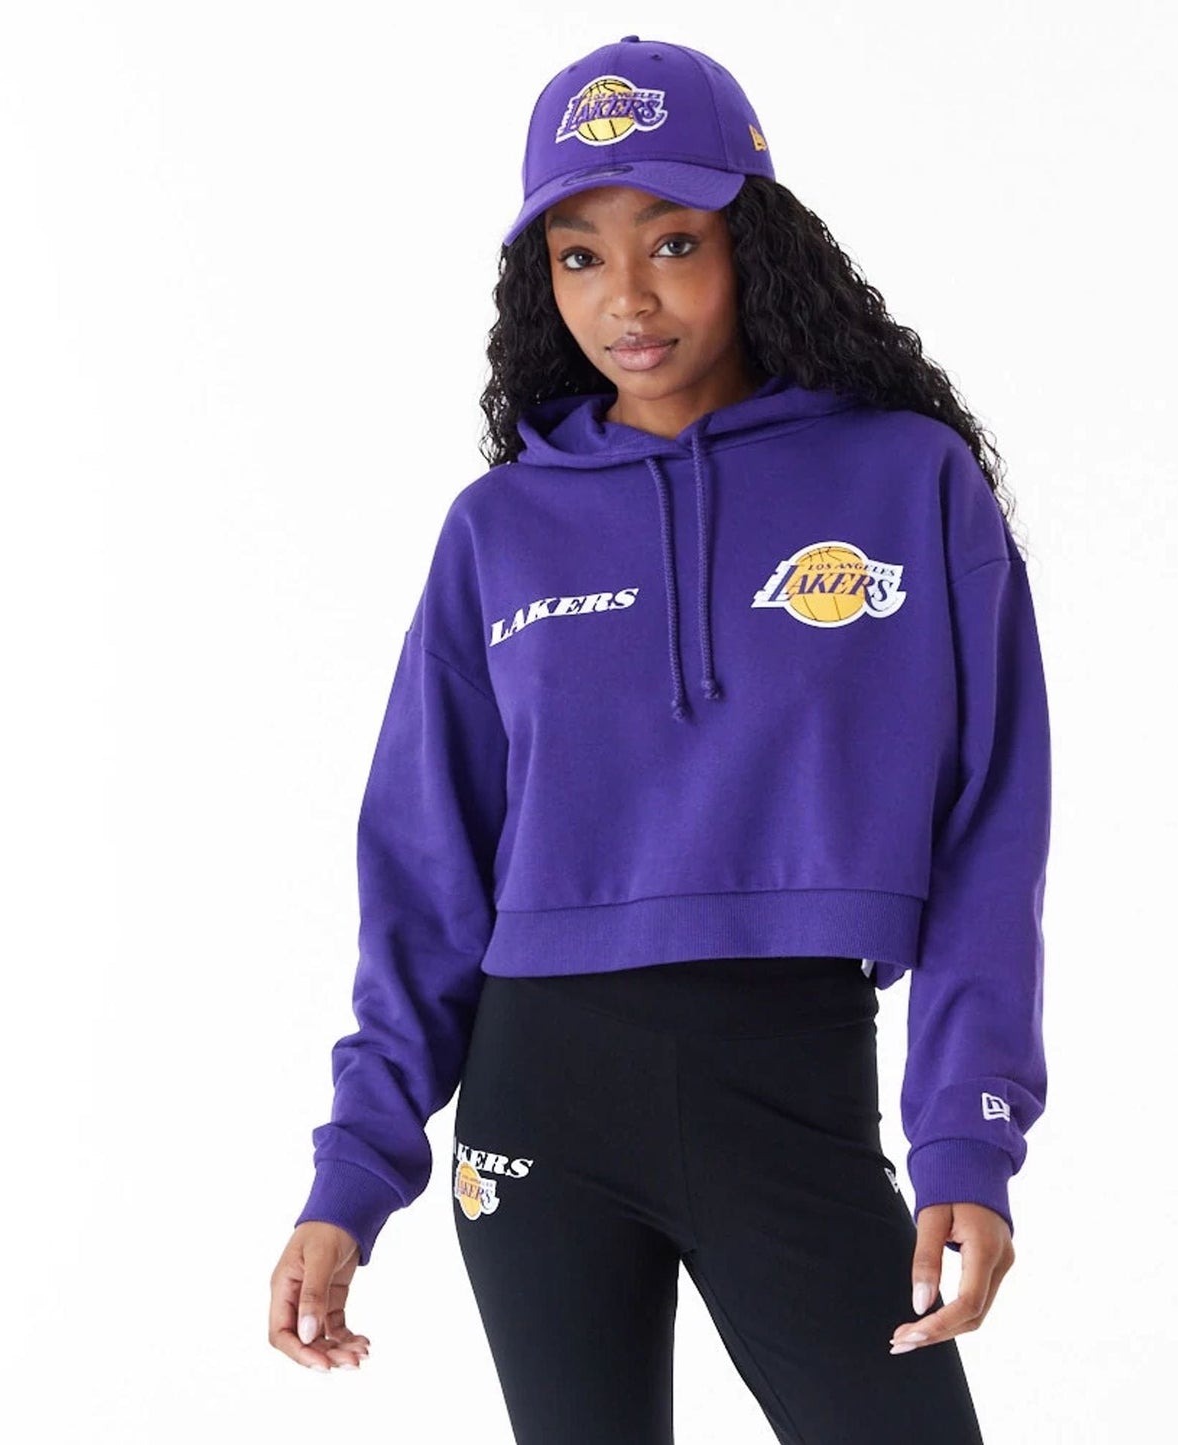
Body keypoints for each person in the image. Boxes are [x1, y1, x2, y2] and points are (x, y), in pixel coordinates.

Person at [267, 34, 1052, 1444]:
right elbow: (425, 868)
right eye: (579, 255)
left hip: (790, 1077)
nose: (626, 297)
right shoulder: (499, 529)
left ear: (756, 243)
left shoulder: (907, 480)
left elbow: (994, 826)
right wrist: (352, 1173)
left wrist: (966, 1131)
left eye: (672, 241)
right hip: (537, 1102)